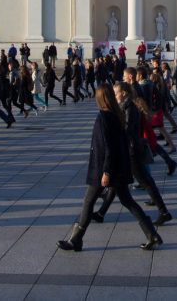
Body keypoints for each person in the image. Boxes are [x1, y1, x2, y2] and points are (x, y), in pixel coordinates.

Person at [56, 84, 162, 252]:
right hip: (118, 166)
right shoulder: (116, 114)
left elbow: (109, 147)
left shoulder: (104, 117)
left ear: (100, 98)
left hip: (104, 168)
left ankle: (76, 239)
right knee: (127, 200)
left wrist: (106, 171)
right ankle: (152, 234)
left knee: (89, 201)